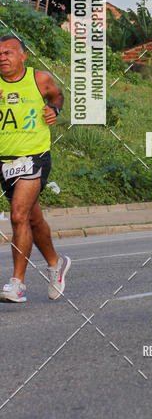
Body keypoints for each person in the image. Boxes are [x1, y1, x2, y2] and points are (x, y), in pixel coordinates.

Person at [0, 34, 70, 303]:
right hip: (5, 162)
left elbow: (57, 96)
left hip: (34, 157)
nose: (3, 57)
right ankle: (55, 263)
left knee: (18, 215)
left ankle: (17, 283)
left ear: (22, 56)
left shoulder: (39, 79)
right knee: (32, 219)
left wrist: (54, 109)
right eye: (0, 54)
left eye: (9, 52)